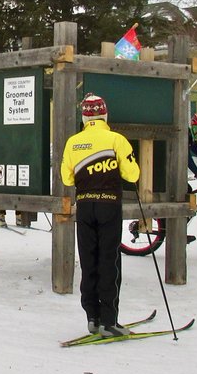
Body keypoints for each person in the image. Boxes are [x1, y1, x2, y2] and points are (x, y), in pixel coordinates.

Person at [60, 93, 141, 338]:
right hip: (109, 206)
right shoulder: (116, 140)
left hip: (84, 207)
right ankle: (109, 320)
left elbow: (67, 178)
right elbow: (132, 174)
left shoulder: (73, 142)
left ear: (84, 117)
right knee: (109, 260)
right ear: (104, 114)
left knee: (88, 261)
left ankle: (92, 318)